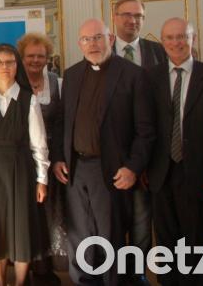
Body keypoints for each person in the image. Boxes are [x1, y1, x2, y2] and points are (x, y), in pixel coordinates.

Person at [52, 19, 155, 285]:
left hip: (110, 170)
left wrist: (133, 167)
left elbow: (146, 130)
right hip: (75, 170)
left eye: (98, 37)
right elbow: (62, 121)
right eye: (86, 39)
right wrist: (60, 158)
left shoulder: (133, 75)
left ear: (110, 39)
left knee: (110, 237)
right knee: (80, 236)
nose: (92, 44)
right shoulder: (72, 75)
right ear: (79, 44)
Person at [147, 18, 203, 286]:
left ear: (193, 39)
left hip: (198, 174)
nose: (176, 42)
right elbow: (145, 127)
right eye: (170, 38)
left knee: (194, 241)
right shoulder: (150, 77)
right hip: (160, 174)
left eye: (182, 37)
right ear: (162, 42)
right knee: (166, 243)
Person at [0, 43, 49, 286]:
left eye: (10, 62)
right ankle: (1, 282)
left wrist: (42, 179)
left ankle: (20, 283)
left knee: (22, 229)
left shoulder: (28, 100)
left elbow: (38, 143)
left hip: (22, 170)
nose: (5, 67)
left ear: (16, 65)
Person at [111, 0, 166, 286]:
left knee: (143, 222)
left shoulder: (158, 52)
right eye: (126, 15)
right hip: (112, 155)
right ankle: (117, 273)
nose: (133, 21)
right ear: (115, 16)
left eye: (139, 16)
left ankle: (137, 273)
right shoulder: (101, 50)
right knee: (115, 221)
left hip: (148, 154)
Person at [17, 33, 65, 286]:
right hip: (22, 162)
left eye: (41, 56)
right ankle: (24, 267)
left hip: (51, 161)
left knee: (48, 216)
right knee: (25, 216)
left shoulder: (57, 83)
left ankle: (45, 269)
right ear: (21, 58)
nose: (36, 60)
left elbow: (64, 124)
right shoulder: (12, 83)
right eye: (30, 56)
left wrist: (58, 159)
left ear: (48, 58)